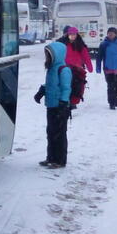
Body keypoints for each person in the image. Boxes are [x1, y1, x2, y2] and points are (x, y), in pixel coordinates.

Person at [33, 41, 72, 169]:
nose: (47, 57)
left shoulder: (63, 70)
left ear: (57, 55)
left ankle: (60, 160)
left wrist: (63, 102)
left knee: (59, 134)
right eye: (46, 55)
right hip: (51, 105)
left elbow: (66, 88)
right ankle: (51, 157)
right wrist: (41, 91)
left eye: (49, 55)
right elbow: (50, 85)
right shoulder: (51, 69)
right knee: (51, 132)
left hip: (60, 107)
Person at [57, 26, 93, 108]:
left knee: (77, 86)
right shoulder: (62, 44)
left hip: (77, 70)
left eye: (74, 34)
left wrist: (89, 66)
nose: (72, 36)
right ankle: (65, 100)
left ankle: (73, 102)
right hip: (65, 68)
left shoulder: (80, 45)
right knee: (65, 85)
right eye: (70, 34)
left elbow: (86, 56)